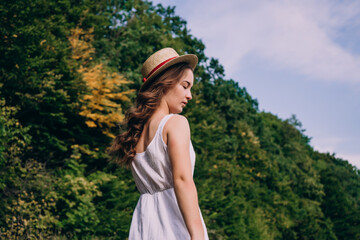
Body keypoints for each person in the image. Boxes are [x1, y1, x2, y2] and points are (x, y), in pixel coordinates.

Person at [109, 48, 209, 240]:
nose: (190, 96)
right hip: (174, 223)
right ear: (166, 84)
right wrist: (197, 235)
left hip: (144, 225)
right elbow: (182, 181)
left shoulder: (135, 137)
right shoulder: (176, 123)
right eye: (185, 86)